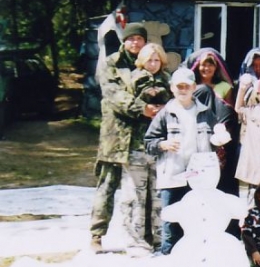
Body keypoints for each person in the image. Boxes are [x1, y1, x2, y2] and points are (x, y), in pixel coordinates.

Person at [144, 67, 232, 254]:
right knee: (171, 218)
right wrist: (163, 144)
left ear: (194, 87)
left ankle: (195, 255)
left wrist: (218, 140)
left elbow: (215, 138)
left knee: (196, 217)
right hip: (173, 173)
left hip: (198, 177)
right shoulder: (165, 113)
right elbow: (149, 142)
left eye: (187, 86)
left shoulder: (206, 112)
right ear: (172, 88)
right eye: (179, 86)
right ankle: (168, 254)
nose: (183, 90)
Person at [91, 22, 152, 252]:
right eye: (131, 39)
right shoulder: (111, 63)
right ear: (124, 41)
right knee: (107, 185)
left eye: (139, 39)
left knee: (142, 189)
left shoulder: (149, 62)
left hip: (140, 138)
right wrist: (142, 108)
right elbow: (114, 94)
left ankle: (144, 234)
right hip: (115, 135)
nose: (135, 43)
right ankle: (97, 234)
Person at [121, 42, 171, 253]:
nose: (153, 64)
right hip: (136, 145)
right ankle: (135, 239)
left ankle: (160, 239)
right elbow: (125, 104)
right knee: (136, 195)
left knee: (158, 195)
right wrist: (145, 108)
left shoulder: (168, 80)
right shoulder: (132, 79)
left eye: (156, 59)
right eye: (149, 59)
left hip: (160, 146)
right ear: (142, 60)